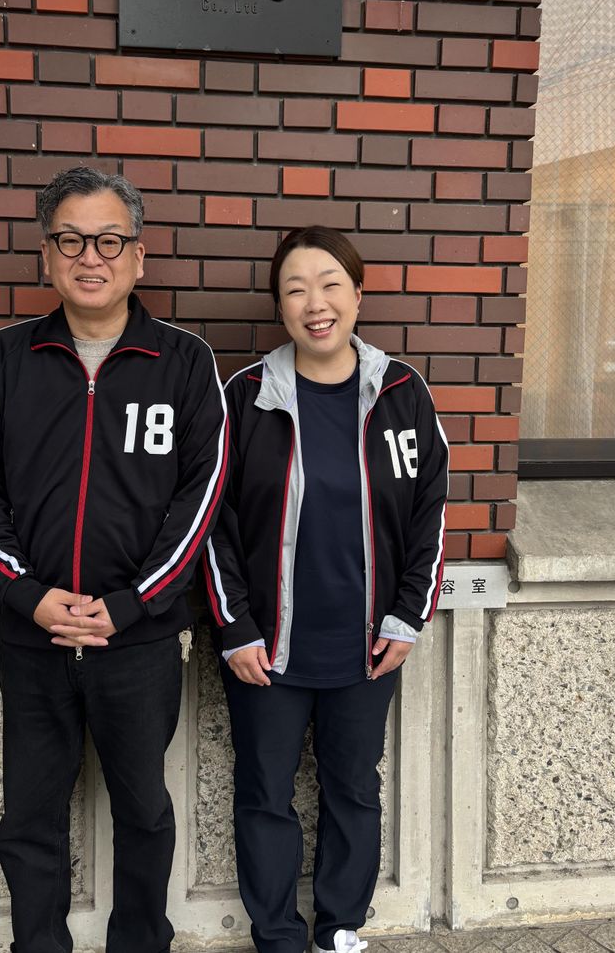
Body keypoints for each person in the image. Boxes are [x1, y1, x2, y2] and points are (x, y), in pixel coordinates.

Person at [0, 167, 228, 953]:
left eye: (108, 239)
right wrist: (26, 591)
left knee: (143, 810)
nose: (89, 257)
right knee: (29, 816)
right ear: (47, 255)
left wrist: (134, 601)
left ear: (139, 255)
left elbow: (203, 492)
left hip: (137, 640)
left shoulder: (183, 361)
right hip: (33, 635)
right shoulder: (5, 358)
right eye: (70, 240)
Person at [203, 226, 448, 953]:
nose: (316, 303)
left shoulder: (400, 392)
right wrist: (235, 627)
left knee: (354, 788)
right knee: (264, 792)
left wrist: (407, 617)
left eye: (330, 284)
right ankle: (278, 936)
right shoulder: (246, 397)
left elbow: (431, 512)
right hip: (267, 648)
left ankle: (339, 927)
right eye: (296, 289)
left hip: (366, 645)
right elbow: (212, 522)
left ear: (358, 294)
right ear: (280, 306)